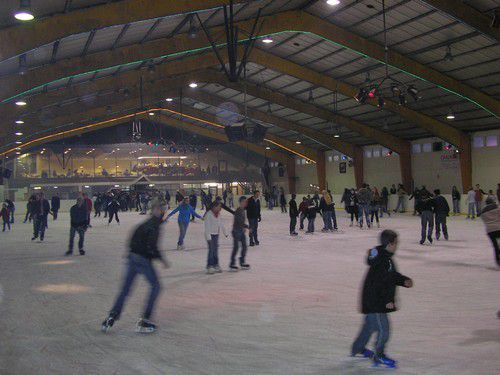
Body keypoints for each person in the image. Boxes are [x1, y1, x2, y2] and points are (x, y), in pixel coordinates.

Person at [101, 199, 169, 334]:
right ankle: (145, 320)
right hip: (141, 259)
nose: (162, 212)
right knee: (156, 286)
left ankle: (112, 316)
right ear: (155, 210)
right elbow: (151, 247)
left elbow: (132, 239)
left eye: (163, 210)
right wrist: (160, 258)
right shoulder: (153, 225)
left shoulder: (145, 224)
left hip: (132, 258)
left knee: (125, 289)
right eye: (161, 210)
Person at [351, 230, 413, 368]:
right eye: (396, 243)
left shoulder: (382, 257)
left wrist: (403, 281)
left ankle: (357, 348)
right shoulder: (383, 261)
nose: (397, 245)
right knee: (384, 329)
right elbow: (381, 283)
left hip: (371, 300)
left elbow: (391, 276)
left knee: (369, 327)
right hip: (376, 302)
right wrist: (387, 301)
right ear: (390, 244)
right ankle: (378, 355)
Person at [204, 202, 228, 274]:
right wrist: (209, 238)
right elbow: (207, 227)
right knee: (211, 251)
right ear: (214, 207)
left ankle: (215, 264)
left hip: (216, 234)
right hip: (210, 235)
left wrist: (225, 232)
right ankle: (210, 266)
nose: (220, 208)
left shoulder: (218, 214)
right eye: (219, 206)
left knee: (215, 251)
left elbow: (221, 223)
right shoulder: (208, 214)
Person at [230, 196, 250, 271]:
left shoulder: (243, 210)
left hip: (241, 231)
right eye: (245, 201)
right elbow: (239, 221)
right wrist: (247, 227)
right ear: (241, 202)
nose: (246, 203)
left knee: (244, 246)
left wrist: (244, 227)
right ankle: (232, 264)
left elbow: (242, 221)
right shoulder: (238, 210)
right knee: (236, 248)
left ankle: (242, 261)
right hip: (236, 231)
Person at [480, 197, 500, 266]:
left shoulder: (483, 211)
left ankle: (498, 260)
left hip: (490, 231)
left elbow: (484, 220)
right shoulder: (497, 207)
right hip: (498, 228)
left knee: (495, 246)